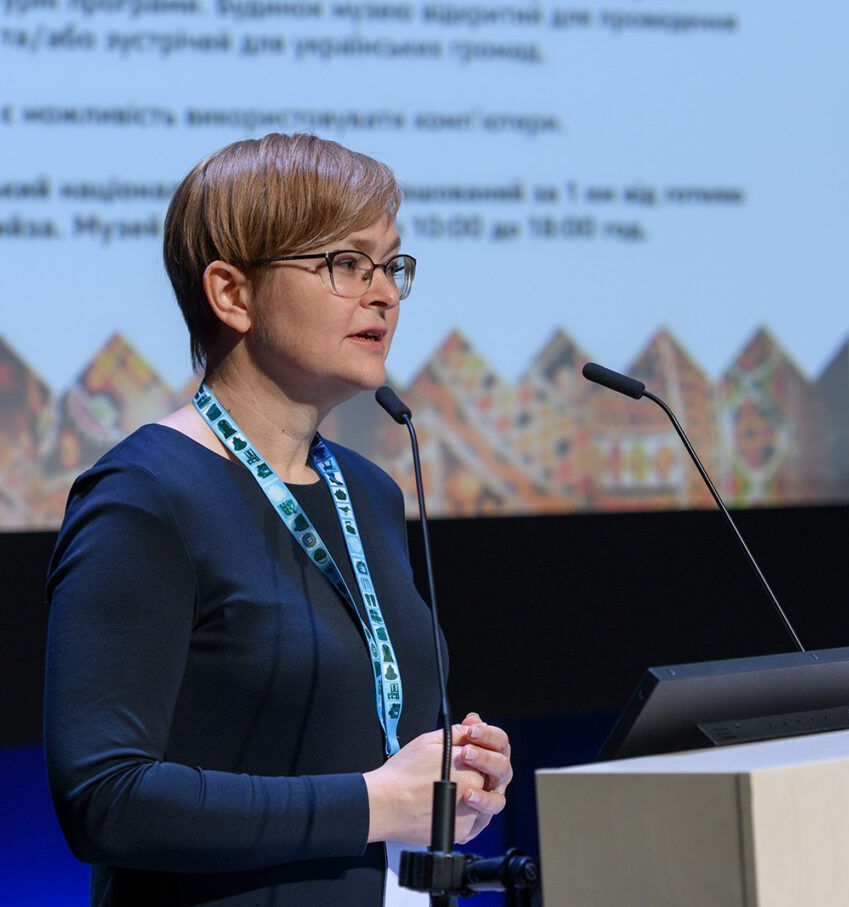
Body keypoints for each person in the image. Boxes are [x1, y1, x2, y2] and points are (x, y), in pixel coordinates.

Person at [44, 133, 513, 906]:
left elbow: (365, 747)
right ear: (233, 294)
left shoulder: (370, 492)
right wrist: (373, 802)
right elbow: (106, 798)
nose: (385, 294)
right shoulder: (143, 496)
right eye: (347, 263)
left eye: (391, 264)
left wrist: (455, 780)